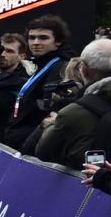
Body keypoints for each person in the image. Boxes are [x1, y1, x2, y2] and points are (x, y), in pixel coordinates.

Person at [32, 39, 111, 169]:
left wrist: (50, 125)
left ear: (84, 69)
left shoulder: (73, 113)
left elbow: (42, 154)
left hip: (91, 184)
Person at [6, 16, 73, 148]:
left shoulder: (61, 67)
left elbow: (52, 112)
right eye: (32, 38)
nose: (35, 42)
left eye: (43, 37)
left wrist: (28, 144)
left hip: (33, 144)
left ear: (58, 41)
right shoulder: (43, 64)